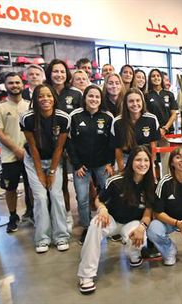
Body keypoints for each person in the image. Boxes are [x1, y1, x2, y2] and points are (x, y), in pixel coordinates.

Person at [77, 146, 154, 294]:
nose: (142, 164)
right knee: (95, 224)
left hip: (132, 223)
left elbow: (147, 213)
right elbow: (98, 200)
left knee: (140, 234)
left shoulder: (151, 184)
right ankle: (86, 275)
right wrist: (103, 209)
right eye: (138, 160)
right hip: (111, 220)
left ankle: (134, 254)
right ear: (131, 161)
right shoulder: (116, 181)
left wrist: (142, 227)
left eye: (146, 160)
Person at [20, 84, 70, 253]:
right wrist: (40, 172)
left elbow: (59, 148)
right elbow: (32, 147)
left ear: (54, 98)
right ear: (35, 99)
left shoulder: (63, 118)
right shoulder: (27, 118)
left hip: (55, 160)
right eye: (41, 96)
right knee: (41, 197)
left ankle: (61, 236)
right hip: (34, 161)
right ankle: (42, 239)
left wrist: (52, 172)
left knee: (56, 195)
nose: (45, 99)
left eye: (49, 96)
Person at [68, 85, 115, 244]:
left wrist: (110, 162)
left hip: (103, 164)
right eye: (90, 96)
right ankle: (87, 227)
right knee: (82, 198)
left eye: (97, 97)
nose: (94, 99)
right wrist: (76, 165)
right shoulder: (75, 116)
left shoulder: (108, 117)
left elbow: (111, 142)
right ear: (85, 98)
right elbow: (70, 143)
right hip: (82, 167)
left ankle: (111, 225)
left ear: (101, 99)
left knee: (108, 195)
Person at [0, 72, 33, 232]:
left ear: (23, 85)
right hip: (10, 156)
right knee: (10, 188)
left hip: (30, 155)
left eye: (17, 82)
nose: (14, 85)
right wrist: (16, 149)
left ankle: (31, 213)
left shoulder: (30, 105)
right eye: (11, 83)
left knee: (32, 187)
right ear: (5, 86)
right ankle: (13, 216)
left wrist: (28, 150)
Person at [45, 59, 83, 232]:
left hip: (73, 143)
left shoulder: (75, 93)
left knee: (75, 181)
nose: (58, 75)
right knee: (57, 184)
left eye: (62, 71)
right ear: (49, 73)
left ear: (66, 74)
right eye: (55, 71)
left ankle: (68, 213)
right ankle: (57, 214)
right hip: (51, 144)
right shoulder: (44, 91)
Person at [112, 88, 160, 171]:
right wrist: (122, 171)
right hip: (125, 159)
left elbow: (153, 146)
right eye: (131, 101)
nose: (135, 104)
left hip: (145, 159)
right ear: (126, 104)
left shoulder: (152, 119)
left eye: (138, 100)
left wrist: (151, 167)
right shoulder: (117, 122)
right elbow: (118, 150)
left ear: (142, 102)